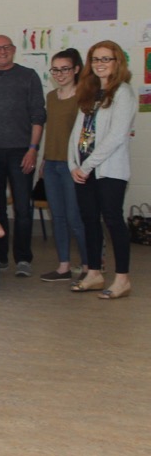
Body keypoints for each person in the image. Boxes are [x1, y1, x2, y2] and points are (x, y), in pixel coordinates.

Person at [0, 35, 47, 277]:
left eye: (6, 47)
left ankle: (23, 258)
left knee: (23, 208)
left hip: (20, 153)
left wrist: (33, 149)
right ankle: (0, 256)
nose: (1, 51)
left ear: (13, 50)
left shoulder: (29, 76)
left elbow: (38, 116)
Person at [69, 40, 136, 300]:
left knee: (112, 219)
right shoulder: (90, 91)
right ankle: (94, 273)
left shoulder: (124, 92)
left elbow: (116, 136)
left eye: (106, 59)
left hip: (109, 171)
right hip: (84, 169)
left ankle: (122, 279)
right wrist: (73, 164)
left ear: (117, 62)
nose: (100, 64)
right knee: (89, 221)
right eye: (96, 59)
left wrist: (86, 165)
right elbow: (77, 131)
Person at [38, 48, 88, 282]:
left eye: (65, 69)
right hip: (52, 165)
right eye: (55, 69)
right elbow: (53, 133)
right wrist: (44, 160)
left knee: (74, 217)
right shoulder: (50, 97)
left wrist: (84, 165)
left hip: (72, 166)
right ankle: (64, 265)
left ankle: (90, 265)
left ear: (76, 69)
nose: (59, 74)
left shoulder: (84, 96)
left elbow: (86, 135)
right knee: (56, 216)